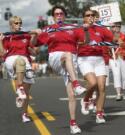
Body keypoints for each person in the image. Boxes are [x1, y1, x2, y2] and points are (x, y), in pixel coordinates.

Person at [36, 6, 86, 134]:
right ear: (53, 16)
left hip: (71, 62)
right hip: (56, 58)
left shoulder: (73, 27)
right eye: (56, 14)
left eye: (61, 13)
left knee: (72, 95)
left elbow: (83, 41)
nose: (59, 15)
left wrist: (85, 29)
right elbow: (35, 44)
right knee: (67, 54)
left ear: (64, 15)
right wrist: (35, 33)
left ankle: (73, 124)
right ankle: (76, 84)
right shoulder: (48, 29)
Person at [76, 8, 113, 123]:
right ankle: (86, 99)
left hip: (99, 59)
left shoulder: (101, 29)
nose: (90, 16)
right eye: (88, 15)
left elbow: (112, 38)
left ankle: (99, 113)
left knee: (101, 87)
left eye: (92, 15)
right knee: (93, 83)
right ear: (84, 18)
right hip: (85, 59)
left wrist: (113, 30)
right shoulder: (78, 29)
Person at [0, 16, 39, 122]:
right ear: (11, 24)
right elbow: (2, 53)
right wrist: (0, 41)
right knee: (19, 61)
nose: (19, 25)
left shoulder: (26, 35)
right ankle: (19, 87)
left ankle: (24, 114)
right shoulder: (7, 37)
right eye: (16, 23)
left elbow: (34, 51)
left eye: (20, 23)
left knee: (26, 93)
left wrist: (35, 36)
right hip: (11, 60)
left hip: (26, 60)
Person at [109, 22, 125, 101]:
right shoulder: (109, 36)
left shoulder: (124, 36)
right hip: (114, 58)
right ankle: (118, 93)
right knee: (116, 74)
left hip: (124, 57)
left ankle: (123, 92)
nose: (117, 28)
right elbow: (104, 46)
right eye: (115, 26)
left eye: (119, 26)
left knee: (124, 76)